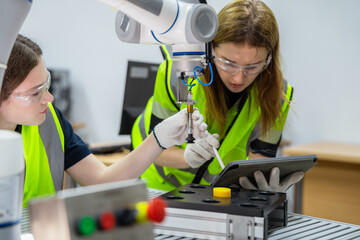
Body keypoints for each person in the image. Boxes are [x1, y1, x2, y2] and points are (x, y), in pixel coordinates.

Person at [0, 34, 208, 207]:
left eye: (47, 84)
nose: (49, 98)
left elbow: (102, 180)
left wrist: (160, 138)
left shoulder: (49, 120)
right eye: (35, 93)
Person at [131, 0, 304, 192]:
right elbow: (155, 151)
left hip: (214, 192)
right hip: (159, 183)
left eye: (253, 66)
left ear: (268, 60)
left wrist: (263, 190)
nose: (239, 77)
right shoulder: (178, 72)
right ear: (210, 49)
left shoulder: (278, 96)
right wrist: (186, 158)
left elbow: (259, 163)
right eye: (228, 63)